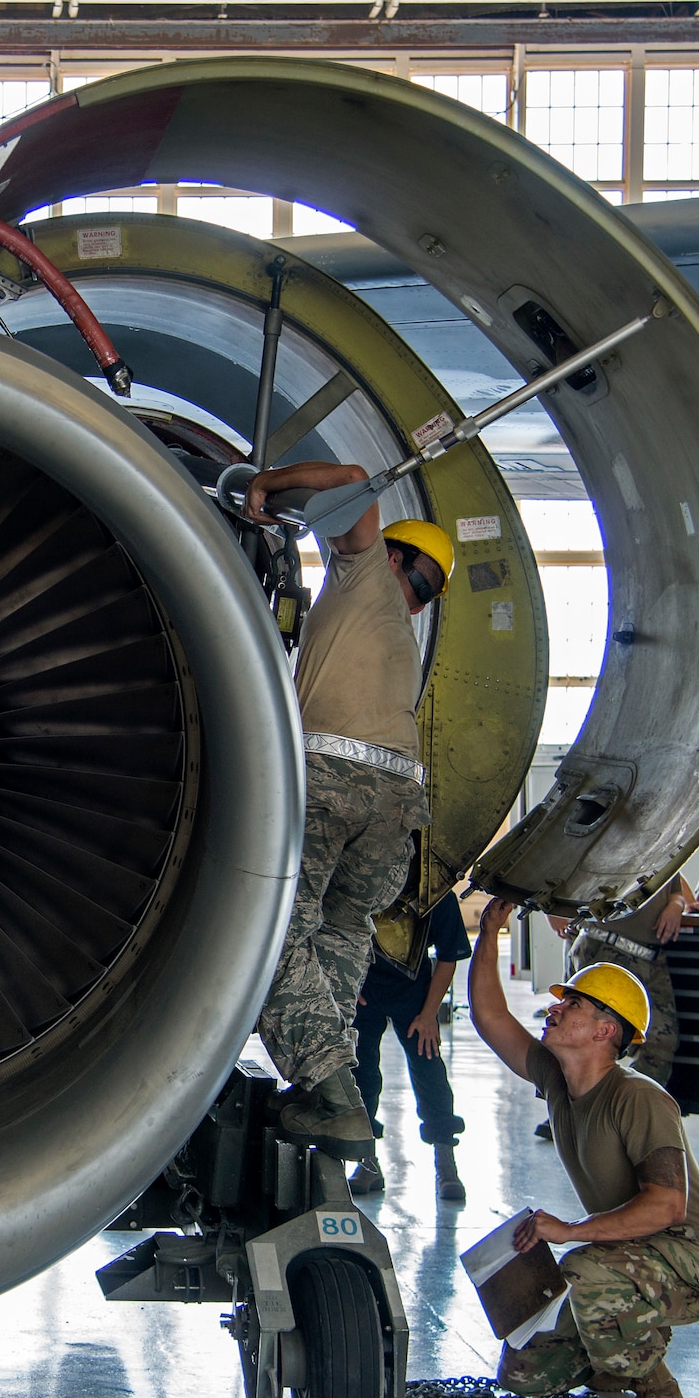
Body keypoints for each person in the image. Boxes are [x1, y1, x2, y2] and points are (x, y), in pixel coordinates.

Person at [470, 897, 699, 1398]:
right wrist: (488, 934)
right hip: (638, 1251)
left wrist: (570, 1233)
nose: (555, 1008)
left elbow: (667, 1205)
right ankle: (615, 1350)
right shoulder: (558, 1080)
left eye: (572, 1005)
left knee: (585, 1268)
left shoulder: (639, 1099)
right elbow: (489, 1017)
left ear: (605, 1030)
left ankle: (658, 1392)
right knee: (524, 1376)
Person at [242, 460, 450, 1157]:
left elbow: (355, 478)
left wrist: (267, 485)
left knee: (266, 935)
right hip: (398, 798)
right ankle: (329, 1097)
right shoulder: (403, 635)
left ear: (391, 556)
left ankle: (329, 1087)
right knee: (339, 934)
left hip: (333, 776)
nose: (413, 594)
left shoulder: (366, 577)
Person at [347, 888, 472, 1202]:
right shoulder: (359, 874)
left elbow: (448, 957)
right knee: (361, 1073)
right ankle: (367, 1160)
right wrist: (347, 984)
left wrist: (430, 1014)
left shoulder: (435, 890)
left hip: (415, 992)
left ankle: (446, 1160)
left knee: (428, 1067)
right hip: (364, 988)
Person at [543, 875, 689, 1096]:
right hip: (605, 945)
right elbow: (552, 863)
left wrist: (676, 904)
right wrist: (550, 908)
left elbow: (675, 888)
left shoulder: (669, 845)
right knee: (584, 1041)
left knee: (661, 1042)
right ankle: (571, 1109)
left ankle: (627, 1110)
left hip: (650, 956)